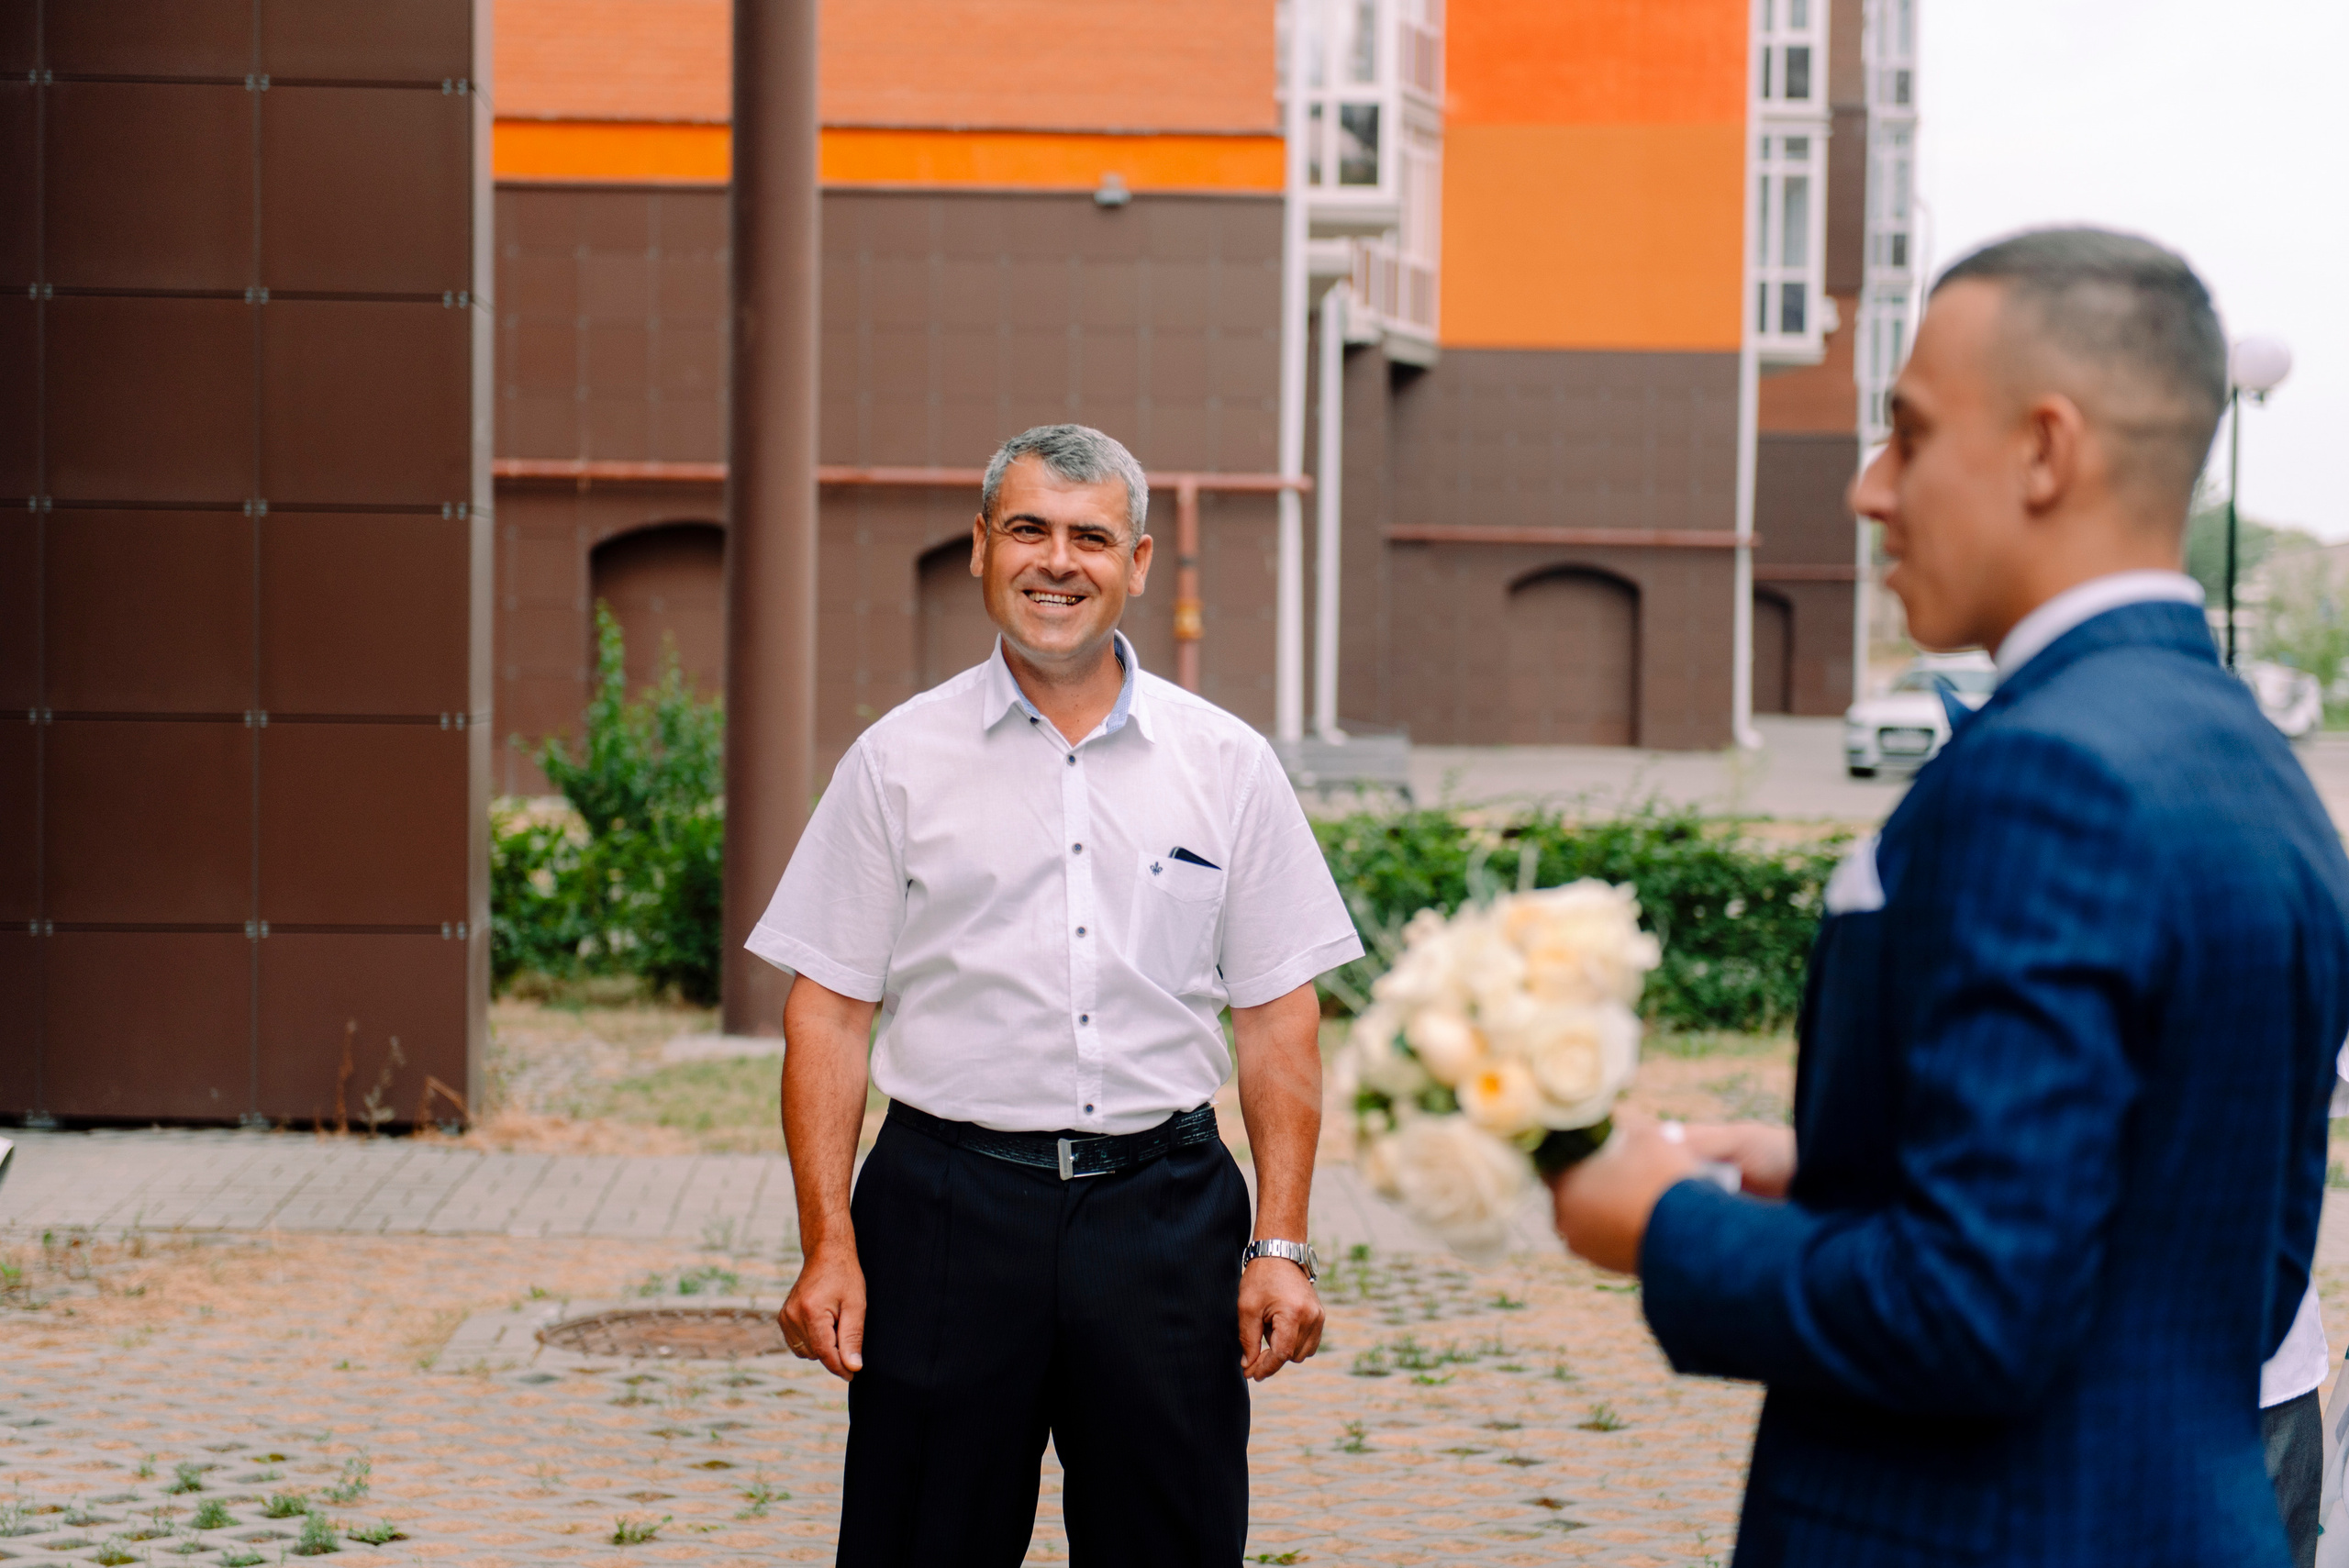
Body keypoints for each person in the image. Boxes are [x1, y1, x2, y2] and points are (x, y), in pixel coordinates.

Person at [1549, 228, 2349, 1565]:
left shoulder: (2047, 772)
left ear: (2045, 450)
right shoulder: (2254, 763)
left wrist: (1662, 1224)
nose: (1870, 488)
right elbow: (2193, 1224)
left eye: (1910, 435)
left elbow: (1974, 1311)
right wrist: (1831, 1169)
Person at [747, 424, 1364, 1567]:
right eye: (1028, 528)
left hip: (1163, 1216)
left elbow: (1278, 1013)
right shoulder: (896, 759)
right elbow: (826, 1011)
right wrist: (827, 1244)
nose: (1057, 561)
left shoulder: (1226, 763)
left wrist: (1279, 1240)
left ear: (1137, 562)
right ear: (980, 546)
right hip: (945, 1215)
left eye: (1090, 536)